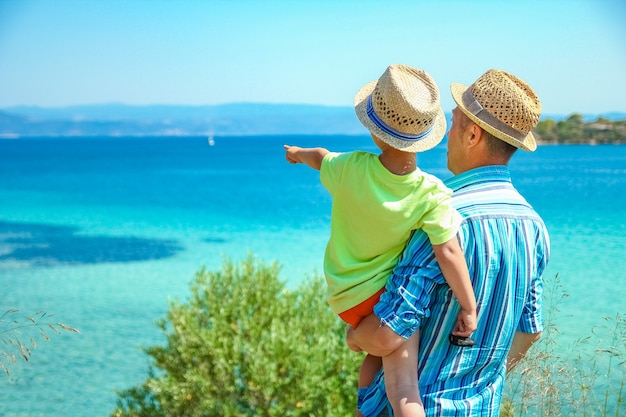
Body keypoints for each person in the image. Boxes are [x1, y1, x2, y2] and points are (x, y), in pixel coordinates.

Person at [346, 68, 551, 416]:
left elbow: (388, 334)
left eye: (454, 123)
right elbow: (529, 332)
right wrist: (481, 379)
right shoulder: (534, 226)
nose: (447, 135)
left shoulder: (439, 218)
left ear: (472, 135)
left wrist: (353, 337)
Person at [284, 64, 477, 417]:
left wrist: (296, 153)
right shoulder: (430, 193)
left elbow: (320, 156)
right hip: (383, 301)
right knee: (404, 389)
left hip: (345, 300)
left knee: (375, 366)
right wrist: (468, 306)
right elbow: (449, 251)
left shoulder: (350, 168)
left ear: (375, 132)